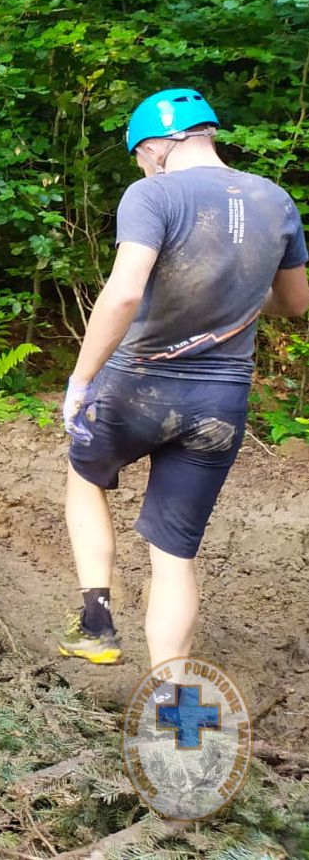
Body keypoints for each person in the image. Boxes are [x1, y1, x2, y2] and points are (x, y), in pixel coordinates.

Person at [58, 87, 308, 669]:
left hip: (138, 386)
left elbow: (123, 294)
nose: (142, 166)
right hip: (221, 403)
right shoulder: (275, 198)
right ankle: (173, 711)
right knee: (174, 557)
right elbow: (295, 303)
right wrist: (237, 301)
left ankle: (96, 622)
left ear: (155, 146)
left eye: (140, 156)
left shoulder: (153, 194)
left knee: (84, 473)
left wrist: (80, 378)